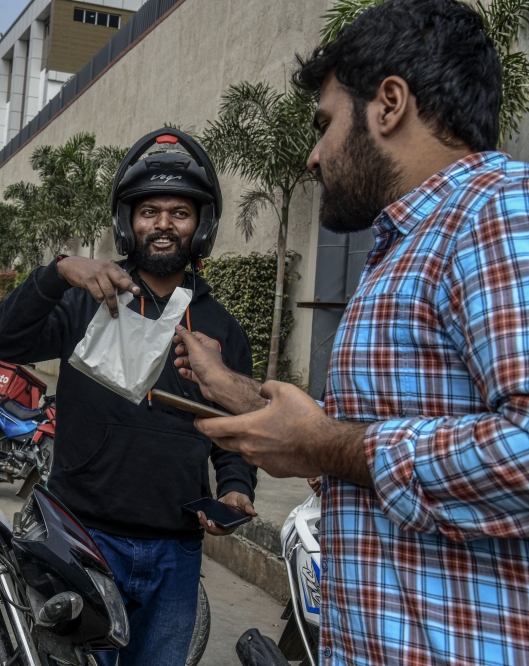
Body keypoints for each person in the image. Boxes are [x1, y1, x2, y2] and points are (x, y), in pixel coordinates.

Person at [174, 1, 529, 663]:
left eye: (326, 123)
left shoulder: (498, 213)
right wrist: (238, 394)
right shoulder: (411, 245)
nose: (312, 157)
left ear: (389, 103)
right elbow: (359, 441)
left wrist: (325, 444)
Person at [0, 129, 258, 665]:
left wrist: (234, 487)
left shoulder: (222, 326)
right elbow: (3, 340)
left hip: (177, 551)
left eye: (179, 212)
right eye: (148, 211)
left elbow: (235, 431)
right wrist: (59, 273)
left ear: (201, 226)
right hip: (83, 538)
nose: (162, 224)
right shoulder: (89, 299)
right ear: (127, 223)